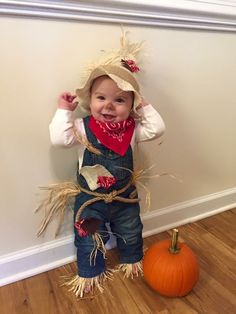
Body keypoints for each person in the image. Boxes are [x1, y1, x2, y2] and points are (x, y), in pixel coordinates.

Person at [47, 32, 165, 297]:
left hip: (125, 199)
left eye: (120, 100)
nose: (109, 106)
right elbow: (58, 139)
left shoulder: (132, 130)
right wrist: (64, 110)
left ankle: (132, 260)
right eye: (101, 98)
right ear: (91, 100)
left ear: (131, 104)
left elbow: (157, 129)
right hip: (92, 202)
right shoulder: (82, 128)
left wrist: (144, 105)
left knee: (132, 231)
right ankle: (90, 274)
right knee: (89, 239)